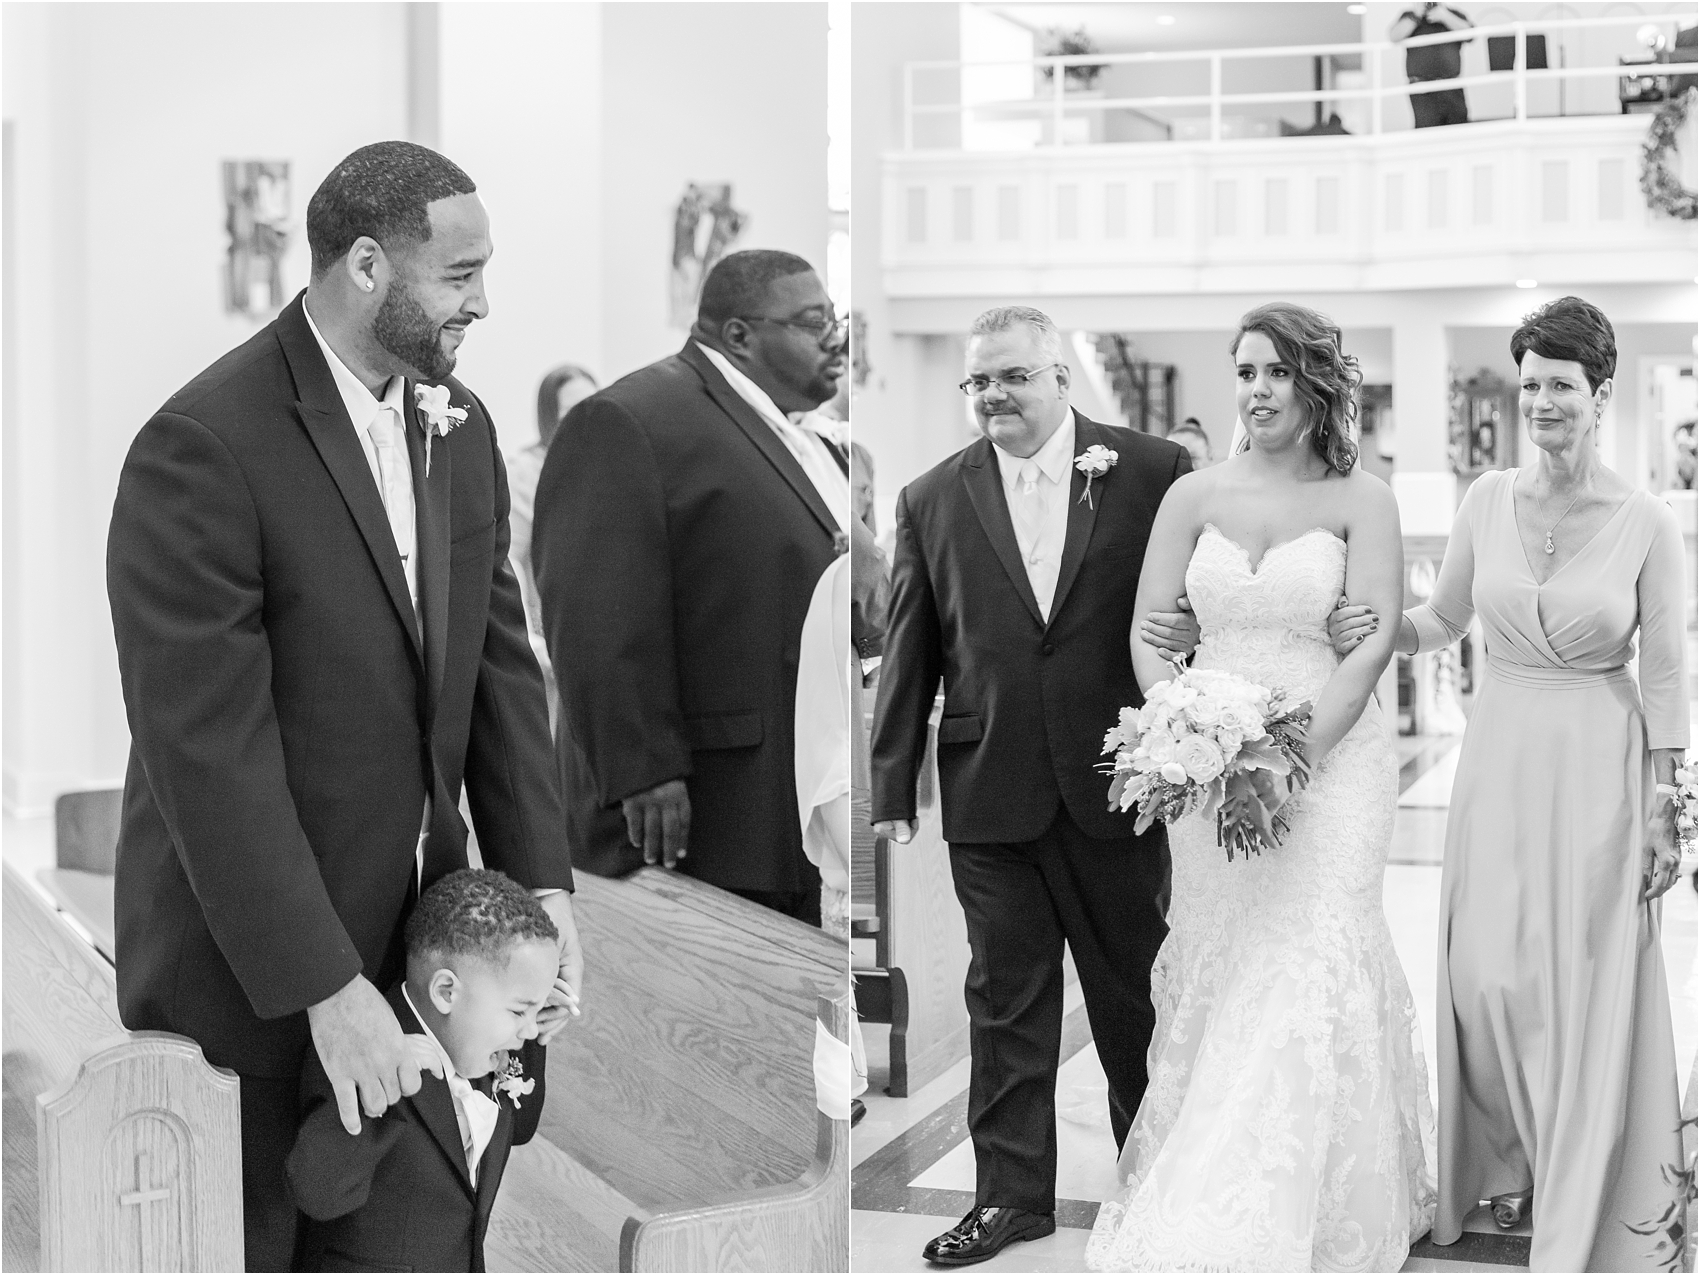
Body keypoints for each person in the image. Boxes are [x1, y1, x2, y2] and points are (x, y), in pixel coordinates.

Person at [105, 140, 582, 1272]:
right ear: (367, 265)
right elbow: (205, 752)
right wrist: (323, 988)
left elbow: (499, 669)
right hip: (257, 975)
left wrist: (545, 889)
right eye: (458, 276)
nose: (482, 302)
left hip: (422, 957)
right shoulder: (206, 443)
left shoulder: (455, 425)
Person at [1329, 296, 1689, 1271]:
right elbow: (1440, 619)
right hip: (1496, 757)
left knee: (1574, 984)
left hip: (1598, 768)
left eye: (1559, 387)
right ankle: (1506, 1159)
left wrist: (1666, 809)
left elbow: (1663, 673)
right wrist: (1365, 621)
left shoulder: (1645, 521)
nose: (1539, 402)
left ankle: (1575, 1180)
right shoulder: (1484, 500)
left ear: (1599, 392)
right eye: (1528, 385)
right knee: (1483, 974)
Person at [1086, 302, 1435, 1271]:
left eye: (1275, 373)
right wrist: (1187, 731)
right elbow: (1148, 633)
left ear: (1315, 385)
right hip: (1211, 767)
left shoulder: (1361, 500)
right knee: (1227, 955)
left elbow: (1366, 653)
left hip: (1330, 762)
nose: (1256, 390)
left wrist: (1289, 760)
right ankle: (1214, 1187)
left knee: (1308, 947)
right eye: (1243, 372)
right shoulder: (1191, 495)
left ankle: (1312, 1206)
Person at [870, 305, 1191, 1267]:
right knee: (1004, 1004)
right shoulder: (933, 497)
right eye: (978, 382)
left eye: (1011, 376)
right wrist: (893, 780)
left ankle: (1156, 1179)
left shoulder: (1149, 472)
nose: (993, 395)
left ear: (1060, 375)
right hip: (990, 787)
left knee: (1132, 995)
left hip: (1118, 783)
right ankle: (1012, 1197)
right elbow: (909, 647)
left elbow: (1193, 611)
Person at [533, 249, 849, 925]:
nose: (835, 337)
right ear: (739, 335)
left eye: (836, 318)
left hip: (782, 799)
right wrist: (643, 769)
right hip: (696, 816)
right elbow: (596, 614)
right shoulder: (629, 419)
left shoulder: (803, 439)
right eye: (813, 320)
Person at [286, 870, 559, 1272]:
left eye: (537, 1011)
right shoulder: (361, 1047)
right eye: (521, 1010)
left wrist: (538, 1021)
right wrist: (387, 1085)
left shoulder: (485, 1051)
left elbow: (522, 1125)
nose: (530, 1029)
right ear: (446, 992)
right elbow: (319, 1193)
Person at [507, 363, 599, 733]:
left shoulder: (607, 465)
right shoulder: (527, 471)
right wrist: (529, 638)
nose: (583, 419)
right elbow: (510, 557)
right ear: (549, 417)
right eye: (569, 412)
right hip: (550, 645)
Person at [1390, 2, 1474, 128]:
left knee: (1458, 130)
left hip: (1451, 86)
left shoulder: (1452, 13)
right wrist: (1416, 16)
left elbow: (1471, 34)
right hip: (1422, 89)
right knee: (1426, 133)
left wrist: (1445, 16)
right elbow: (1394, 36)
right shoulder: (1409, 15)